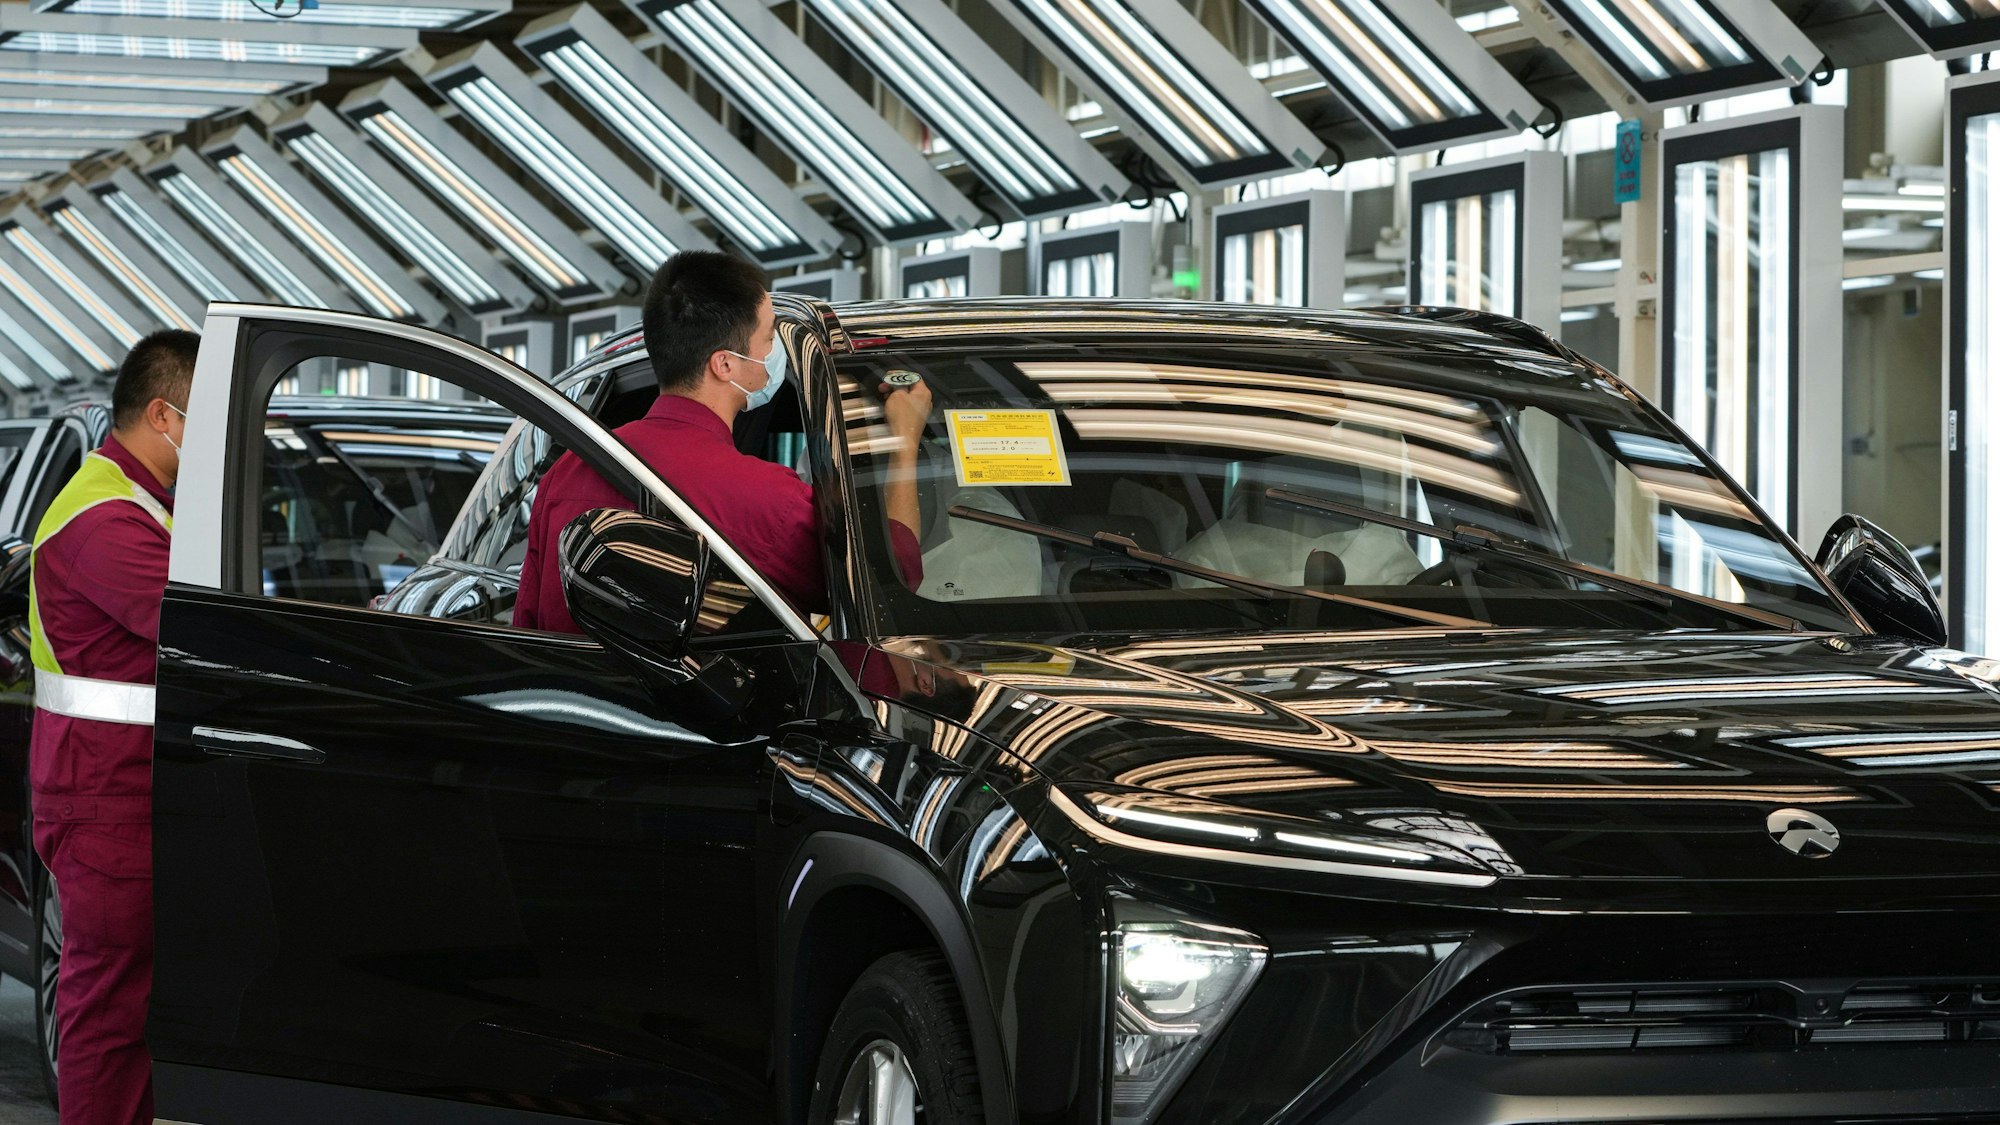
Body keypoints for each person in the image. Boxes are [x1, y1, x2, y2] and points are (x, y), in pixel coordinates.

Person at [516, 251, 930, 632]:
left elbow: (530, 634)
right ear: (725, 363)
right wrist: (905, 439)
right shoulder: (764, 497)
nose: (777, 351)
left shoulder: (565, 472)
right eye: (769, 338)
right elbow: (892, 581)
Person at [28, 328, 199, 1125]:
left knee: (127, 1007)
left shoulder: (137, 502)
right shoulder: (104, 517)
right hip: (104, 797)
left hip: (122, 789)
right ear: (164, 415)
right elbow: (195, 627)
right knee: (107, 1012)